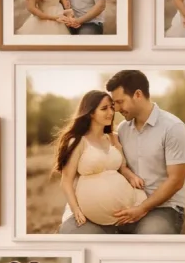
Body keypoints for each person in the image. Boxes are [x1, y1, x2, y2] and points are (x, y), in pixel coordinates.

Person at [63, 69, 185, 236]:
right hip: (121, 208)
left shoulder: (172, 128)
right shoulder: (122, 130)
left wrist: (141, 208)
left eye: (119, 102)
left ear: (137, 95)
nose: (115, 110)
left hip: (162, 208)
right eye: (111, 105)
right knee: (70, 232)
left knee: (150, 238)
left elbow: (176, 181)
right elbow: (115, 166)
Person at [56, 90, 147, 230]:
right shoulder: (78, 141)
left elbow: (122, 168)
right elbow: (66, 181)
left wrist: (132, 176)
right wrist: (76, 210)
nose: (110, 112)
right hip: (92, 216)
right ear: (91, 112)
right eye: (104, 108)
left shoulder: (113, 138)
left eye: (111, 107)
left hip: (129, 207)